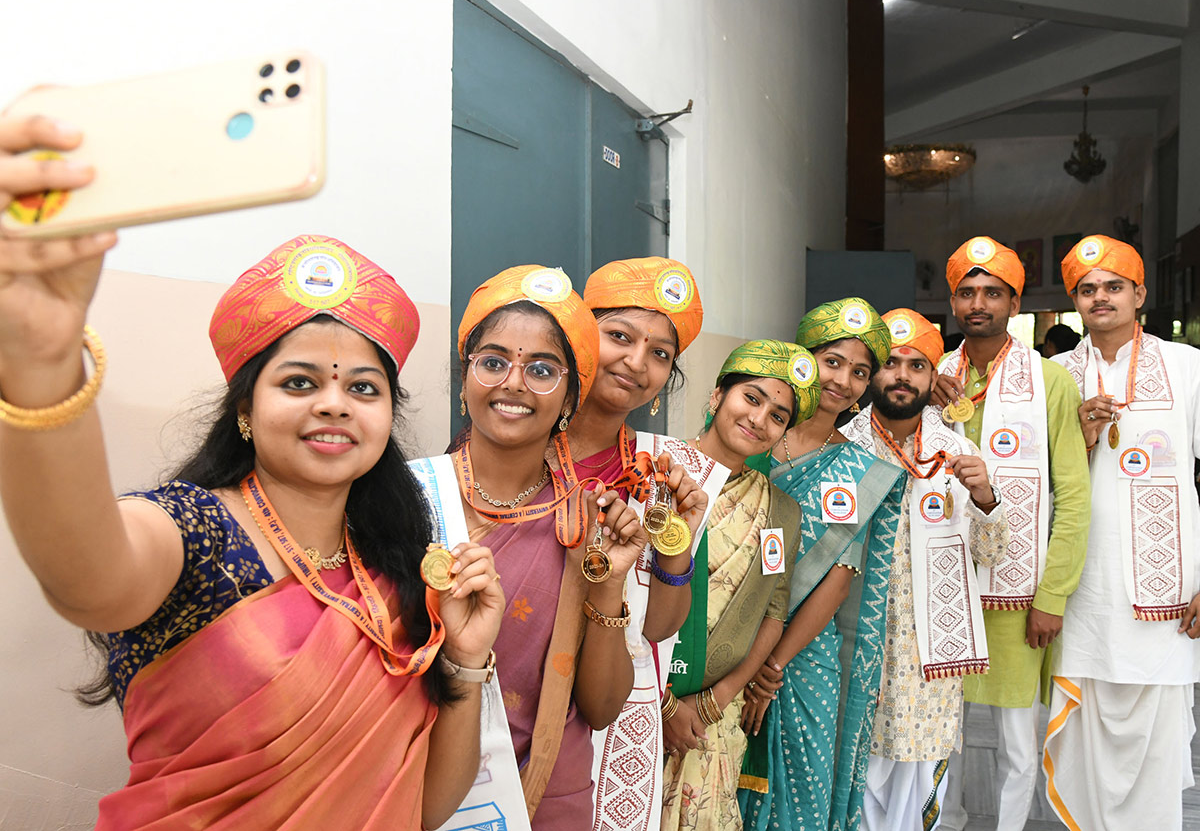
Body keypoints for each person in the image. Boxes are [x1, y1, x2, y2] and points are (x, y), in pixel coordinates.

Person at [0, 116, 503, 830]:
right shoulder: (196, 531)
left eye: (363, 388)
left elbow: (424, 809)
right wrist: (42, 367)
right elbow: (84, 573)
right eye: (299, 383)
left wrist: (465, 659)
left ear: (389, 415)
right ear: (244, 410)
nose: (334, 403)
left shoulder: (394, 566)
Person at [451, 264, 647, 828]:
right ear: (466, 378)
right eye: (493, 362)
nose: (513, 383)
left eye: (541, 369)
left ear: (568, 398)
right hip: (411, 781)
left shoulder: (588, 520)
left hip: (545, 794)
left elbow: (604, 708)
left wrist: (608, 587)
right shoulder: (413, 499)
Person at [932, 236, 1090, 831]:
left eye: (992, 292)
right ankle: (945, 823)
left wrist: (1052, 596)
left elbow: (1074, 496)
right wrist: (926, 392)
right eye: (967, 292)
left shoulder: (1050, 382)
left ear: (1014, 303)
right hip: (940, 591)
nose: (979, 303)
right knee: (939, 733)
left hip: (1017, 597)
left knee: (1019, 741)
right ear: (952, 302)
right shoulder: (930, 377)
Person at [1043, 235, 1200, 830]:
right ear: (1074, 302)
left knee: (1157, 744)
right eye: (1087, 290)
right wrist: (1078, 436)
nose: (1100, 298)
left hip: (1169, 594)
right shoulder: (1056, 375)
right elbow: (1036, 487)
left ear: (1139, 293)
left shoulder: (1188, 366)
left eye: (1113, 286)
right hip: (1086, 591)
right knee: (1084, 739)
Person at [737, 297, 907, 831]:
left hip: (801, 659)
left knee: (800, 798)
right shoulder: (751, 429)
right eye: (832, 361)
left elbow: (837, 583)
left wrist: (773, 666)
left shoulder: (855, 467)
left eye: (861, 371)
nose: (844, 381)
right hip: (725, 643)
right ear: (802, 357)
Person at [842, 309, 1009, 831]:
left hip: (928, 654)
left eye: (916, 365)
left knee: (917, 775)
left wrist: (983, 495)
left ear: (933, 377)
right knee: (856, 768)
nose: (901, 376)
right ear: (871, 372)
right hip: (855, 641)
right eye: (889, 363)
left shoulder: (958, 452)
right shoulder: (842, 447)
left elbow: (992, 553)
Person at [571, 256, 713, 831]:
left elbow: (656, 630)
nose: (637, 362)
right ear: (581, 338)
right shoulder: (514, 443)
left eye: (660, 354)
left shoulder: (662, 474)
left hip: (617, 705)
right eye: (619, 337)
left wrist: (678, 543)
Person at [660, 339, 817, 831]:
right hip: (639, 699)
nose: (759, 419)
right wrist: (665, 705)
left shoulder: (781, 512)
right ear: (716, 397)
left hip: (714, 718)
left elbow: (774, 612)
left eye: (778, 416)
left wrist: (714, 701)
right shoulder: (657, 473)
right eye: (751, 398)